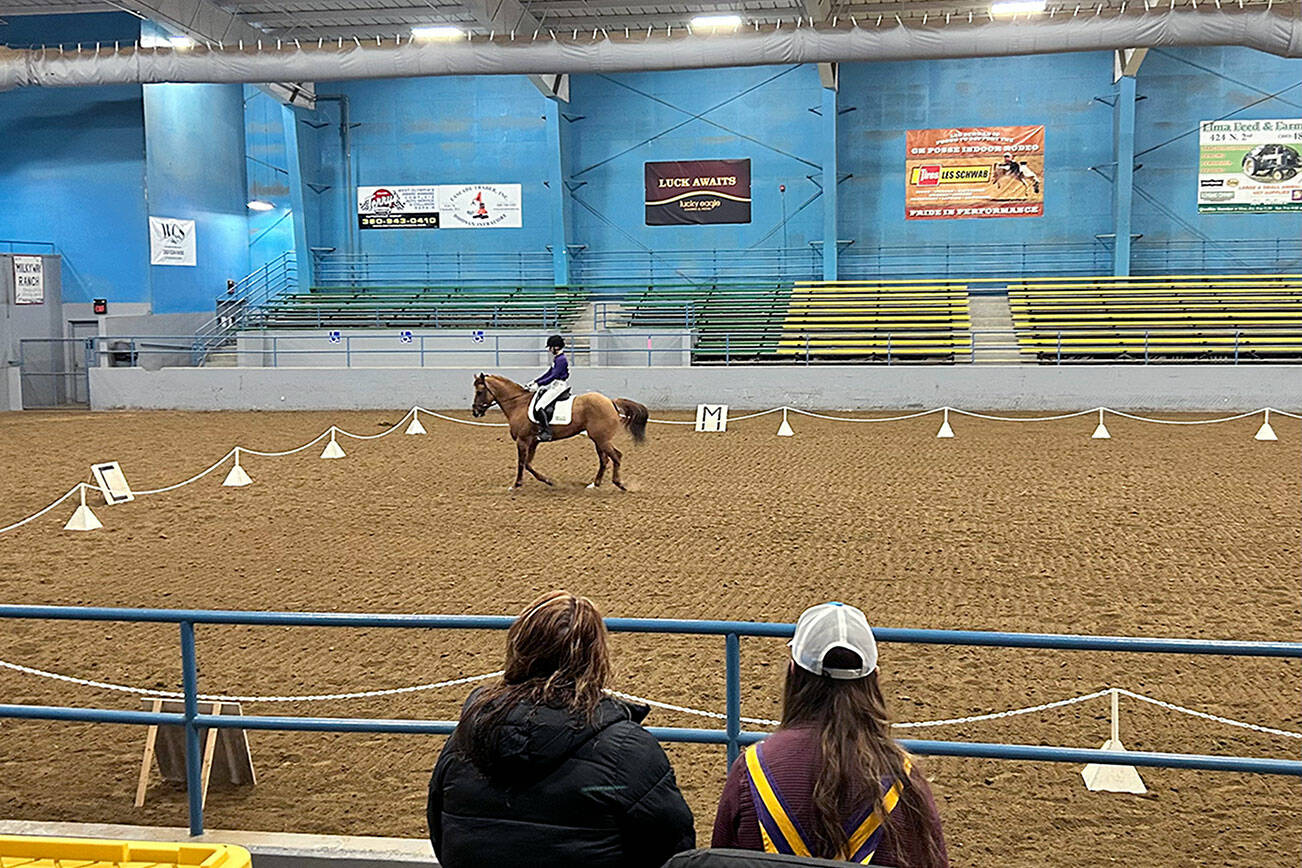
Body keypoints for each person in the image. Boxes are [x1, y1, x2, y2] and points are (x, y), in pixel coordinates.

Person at [427, 590, 695, 868]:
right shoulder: (628, 751)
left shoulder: (466, 737)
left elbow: (441, 831)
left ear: (519, 649)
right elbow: (672, 847)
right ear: (596, 658)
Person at [712, 602, 948, 867]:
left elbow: (720, 857)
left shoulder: (751, 770)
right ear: (874, 678)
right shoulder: (905, 781)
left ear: (793, 673)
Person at [526, 334, 569, 442]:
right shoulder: (557, 358)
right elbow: (549, 373)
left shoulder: (561, 359)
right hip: (555, 385)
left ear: (556, 347)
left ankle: (547, 431)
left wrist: (539, 384)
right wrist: (535, 381)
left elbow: (553, 375)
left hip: (559, 386)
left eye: (551, 347)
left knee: (539, 406)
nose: (550, 350)